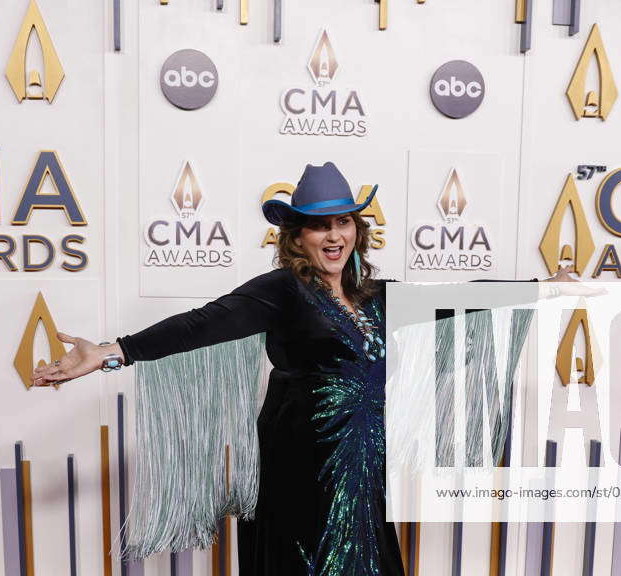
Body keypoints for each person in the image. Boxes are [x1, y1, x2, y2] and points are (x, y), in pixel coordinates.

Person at [32, 162, 586, 575]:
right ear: (297, 236)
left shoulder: (375, 296)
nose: (335, 236)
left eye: (343, 222)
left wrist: (539, 289)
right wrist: (112, 351)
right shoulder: (282, 291)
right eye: (320, 226)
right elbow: (201, 324)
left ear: (357, 231)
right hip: (302, 463)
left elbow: (454, 299)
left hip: (363, 465)